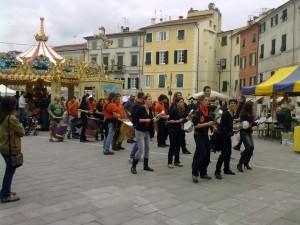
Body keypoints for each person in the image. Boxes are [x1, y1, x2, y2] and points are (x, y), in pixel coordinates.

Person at [0, 96, 25, 203]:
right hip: (10, 147)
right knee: (10, 170)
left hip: (3, 146)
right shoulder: (11, 118)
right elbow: (22, 132)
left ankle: (5, 191)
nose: (16, 106)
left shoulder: (2, 116)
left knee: (9, 169)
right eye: (15, 104)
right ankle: (5, 194)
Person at [191, 95, 215, 183]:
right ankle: (195, 173)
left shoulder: (208, 111)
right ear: (201, 101)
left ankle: (203, 172)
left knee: (207, 155)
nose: (207, 101)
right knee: (202, 153)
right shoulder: (198, 112)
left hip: (205, 135)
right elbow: (195, 125)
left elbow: (209, 121)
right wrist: (207, 124)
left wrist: (213, 126)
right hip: (198, 135)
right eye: (206, 100)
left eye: (208, 100)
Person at [131, 93, 154, 174]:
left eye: (151, 99)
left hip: (147, 131)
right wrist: (145, 120)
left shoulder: (150, 109)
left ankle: (146, 166)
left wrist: (151, 134)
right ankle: (133, 166)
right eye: (149, 99)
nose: (150, 101)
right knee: (141, 150)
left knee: (147, 148)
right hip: (139, 131)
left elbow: (151, 121)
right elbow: (135, 119)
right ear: (144, 100)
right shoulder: (140, 108)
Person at [215, 99, 237, 180]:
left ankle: (226, 169)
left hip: (228, 136)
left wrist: (233, 130)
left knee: (229, 153)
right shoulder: (225, 113)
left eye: (234, 103)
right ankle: (217, 171)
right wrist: (230, 131)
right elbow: (222, 126)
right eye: (231, 103)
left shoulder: (233, 113)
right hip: (223, 136)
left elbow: (230, 125)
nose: (233, 104)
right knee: (224, 154)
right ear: (229, 104)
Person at [167, 97, 187, 168]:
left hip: (179, 130)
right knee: (172, 146)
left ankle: (176, 161)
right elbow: (168, 120)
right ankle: (169, 162)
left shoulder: (182, 110)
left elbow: (182, 119)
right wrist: (177, 121)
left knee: (178, 145)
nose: (182, 103)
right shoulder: (173, 110)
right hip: (173, 130)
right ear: (177, 103)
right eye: (181, 102)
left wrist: (187, 118)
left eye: (183, 102)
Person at [237, 101, 256, 172]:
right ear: (249, 107)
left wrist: (256, 123)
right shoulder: (244, 114)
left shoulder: (251, 114)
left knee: (251, 147)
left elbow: (251, 123)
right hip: (244, 132)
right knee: (249, 147)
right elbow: (244, 125)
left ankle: (246, 162)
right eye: (252, 106)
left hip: (249, 132)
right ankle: (240, 164)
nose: (254, 107)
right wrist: (251, 125)